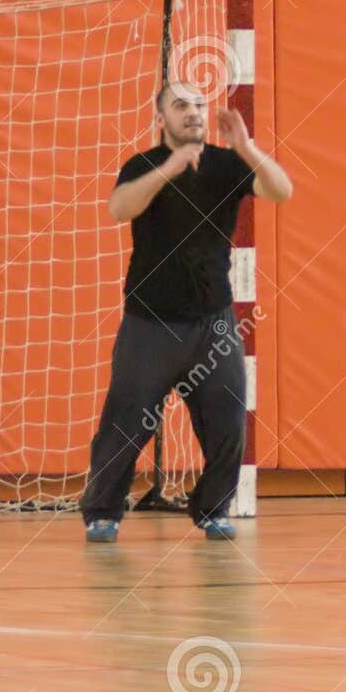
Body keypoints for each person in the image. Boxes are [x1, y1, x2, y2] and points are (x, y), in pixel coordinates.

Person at [81, 80, 293, 543]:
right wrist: (172, 167)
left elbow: (281, 191)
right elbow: (119, 208)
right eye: (180, 106)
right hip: (149, 322)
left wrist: (248, 148)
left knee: (228, 419)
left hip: (212, 322)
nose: (193, 112)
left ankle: (214, 509)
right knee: (125, 420)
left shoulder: (226, 163)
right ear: (163, 120)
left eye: (198, 104)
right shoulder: (143, 165)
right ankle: (103, 512)